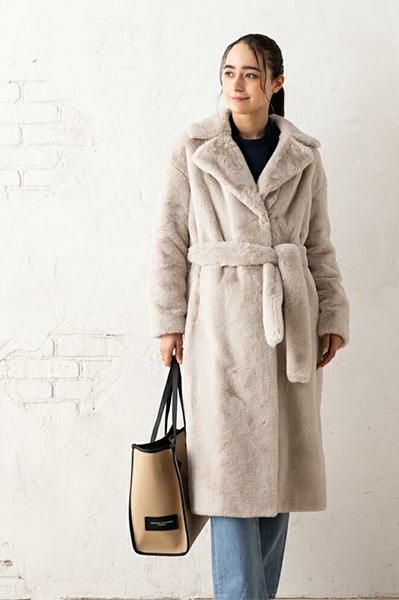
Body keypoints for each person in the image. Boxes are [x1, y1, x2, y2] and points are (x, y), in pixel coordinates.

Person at [149, 33, 350, 600]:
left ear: (276, 83)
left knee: (280, 479)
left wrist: (331, 315)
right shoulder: (194, 149)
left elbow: (318, 244)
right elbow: (169, 238)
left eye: (251, 74)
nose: (236, 84)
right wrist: (168, 321)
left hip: (289, 328)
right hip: (220, 327)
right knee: (228, 479)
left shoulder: (304, 156)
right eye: (228, 72)